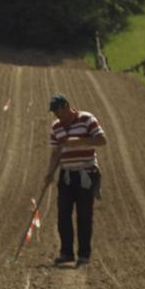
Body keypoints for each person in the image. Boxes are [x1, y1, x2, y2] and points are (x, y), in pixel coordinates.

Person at [44, 94, 107, 267]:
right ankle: (66, 253)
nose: (56, 116)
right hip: (66, 175)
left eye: (57, 111)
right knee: (63, 214)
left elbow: (102, 140)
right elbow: (56, 152)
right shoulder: (56, 127)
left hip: (85, 173)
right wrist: (50, 172)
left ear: (66, 106)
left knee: (84, 215)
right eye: (54, 113)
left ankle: (84, 255)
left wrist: (79, 141)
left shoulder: (87, 119)